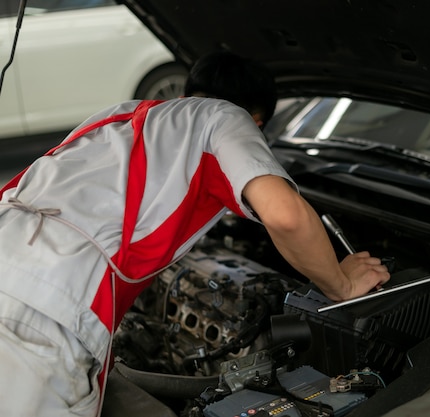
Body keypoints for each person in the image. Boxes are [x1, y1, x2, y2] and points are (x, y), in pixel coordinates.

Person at [0, 51, 390, 416]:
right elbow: (286, 216)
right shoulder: (223, 117)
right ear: (255, 121)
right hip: (45, 307)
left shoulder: (120, 114)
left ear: (187, 91)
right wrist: (340, 283)